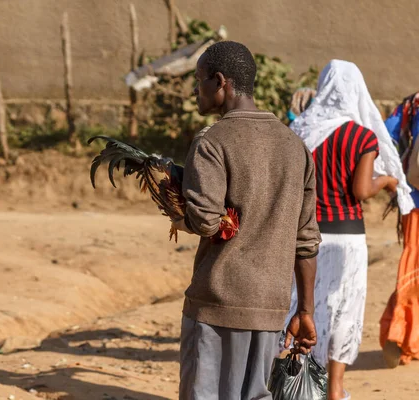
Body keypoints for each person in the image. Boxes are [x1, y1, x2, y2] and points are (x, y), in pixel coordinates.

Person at [171, 41, 321, 400]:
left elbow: (207, 220)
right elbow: (306, 239)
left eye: (199, 80)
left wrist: (179, 212)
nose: (195, 90)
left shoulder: (212, 142)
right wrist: (305, 311)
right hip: (270, 308)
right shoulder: (294, 145)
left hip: (217, 303)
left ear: (220, 82)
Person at [285, 60, 414, 400]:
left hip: (306, 235)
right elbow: (360, 191)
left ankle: (303, 382)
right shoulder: (361, 136)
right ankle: (335, 389)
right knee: (343, 311)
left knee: (306, 305)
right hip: (348, 237)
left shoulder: (302, 132)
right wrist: (386, 180)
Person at [379, 92, 419, 367]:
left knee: (413, 266)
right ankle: (404, 335)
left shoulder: (411, 106)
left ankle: (402, 334)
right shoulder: (411, 108)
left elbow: (383, 138)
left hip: (414, 201)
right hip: (414, 202)